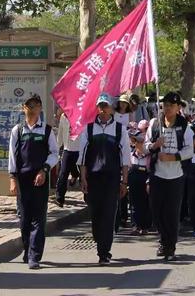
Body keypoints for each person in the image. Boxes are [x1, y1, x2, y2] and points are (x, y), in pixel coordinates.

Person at [78, 93, 131, 265]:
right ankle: (99, 239)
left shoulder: (119, 130)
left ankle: (104, 252)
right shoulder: (89, 129)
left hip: (112, 178)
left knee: (109, 214)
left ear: (111, 108)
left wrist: (124, 181)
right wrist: (83, 178)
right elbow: (83, 157)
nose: (103, 109)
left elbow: (125, 157)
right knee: (95, 214)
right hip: (93, 178)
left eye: (105, 106)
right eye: (100, 105)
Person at [8, 94, 59, 270]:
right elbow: (13, 157)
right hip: (23, 180)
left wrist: (44, 169)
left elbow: (54, 154)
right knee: (24, 219)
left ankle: (34, 256)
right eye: (29, 105)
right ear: (24, 108)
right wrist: (13, 179)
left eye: (36, 105)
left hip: (40, 180)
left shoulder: (46, 130)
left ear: (40, 109)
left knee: (39, 218)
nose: (32, 108)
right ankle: (27, 249)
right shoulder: (18, 130)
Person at [145, 91, 194, 262]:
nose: (167, 108)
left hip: (176, 175)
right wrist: (154, 145)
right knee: (156, 210)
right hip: (157, 174)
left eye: (171, 105)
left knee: (172, 212)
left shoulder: (185, 126)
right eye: (165, 105)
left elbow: (190, 150)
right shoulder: (155, 123)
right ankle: (163, 240)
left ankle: (170, 246)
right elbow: (145, 146)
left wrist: (174, 157)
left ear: (178, 107)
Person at [128, 124, 152, 236]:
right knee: (134, 204)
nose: (140, 144)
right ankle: (136, 226)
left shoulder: (149, 158)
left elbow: (152, 171)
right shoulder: (130, 156)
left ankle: (146, 226)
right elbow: (126, 169)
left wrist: (148, 183)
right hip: (133, 183)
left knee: (146, 204)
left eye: (142, 142)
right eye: (138, 142)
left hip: (145, 184)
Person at [55, 111, 81, 207]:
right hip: (67, 149)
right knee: (63, 172)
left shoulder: (80, 115)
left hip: (79, 148)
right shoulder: (63, 117)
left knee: (84, 174)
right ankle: (60, 197)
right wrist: (58, 148)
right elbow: (61, 133)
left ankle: (88, 196)